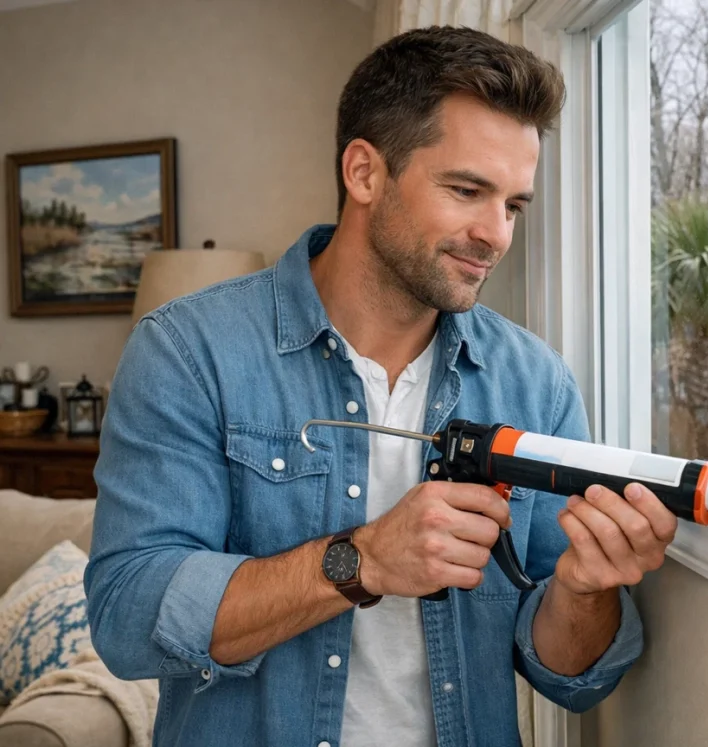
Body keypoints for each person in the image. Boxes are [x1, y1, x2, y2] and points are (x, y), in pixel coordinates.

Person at [84, 25, 677, 747]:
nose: (496, 234)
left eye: (514, 205)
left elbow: (563, 669)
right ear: (364, 173)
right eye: (467, 190)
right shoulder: (187, 350)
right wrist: (361, 559)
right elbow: (127, 614)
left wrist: (586, 591)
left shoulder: (536, 380)